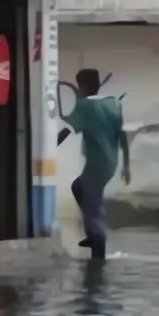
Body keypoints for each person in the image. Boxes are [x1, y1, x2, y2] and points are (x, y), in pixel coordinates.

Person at [56, 68, 129, 260]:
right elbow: (122, 134)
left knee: (92, 206)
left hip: (97, 164)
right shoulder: (112, 104)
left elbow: (67, 130)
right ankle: (93, 234)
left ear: (83, 87)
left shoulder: (85, 108)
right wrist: (126, 165)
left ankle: (98, 250)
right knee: (78, 187)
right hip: (110, 162)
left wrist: (49, 147)